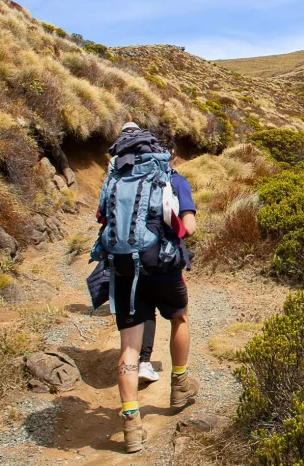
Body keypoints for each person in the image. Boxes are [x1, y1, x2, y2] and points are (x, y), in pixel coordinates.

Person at [96, 123, 199, 453]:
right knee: (179, 318)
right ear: (165, 153)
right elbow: (190, 227)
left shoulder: (116, 177)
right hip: (162, 265)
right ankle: (180, 385)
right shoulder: (172, 178)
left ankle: (131, 424)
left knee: (129, 346)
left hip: (124, 268)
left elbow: (103, 219)